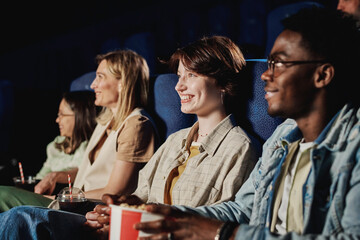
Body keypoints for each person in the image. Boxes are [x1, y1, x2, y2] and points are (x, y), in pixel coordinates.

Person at [126, 7, 360, 240]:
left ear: (322, 75)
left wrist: (222, 232)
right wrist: (172, 218)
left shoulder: (354, 145)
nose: (265, 76)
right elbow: (244, 209)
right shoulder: (281, 138)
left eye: (278, 64)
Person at [0, 35, 259, 239]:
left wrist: (141, 218)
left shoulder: (240, 148)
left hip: (153, 234)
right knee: (21, 218)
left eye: (191, 75)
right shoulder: (176, 141)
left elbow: (226, 222)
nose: (179, 85)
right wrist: (111, 211)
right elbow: (138, 195)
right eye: (179, 76)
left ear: (223, 83)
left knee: (19, 218)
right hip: (126, 229)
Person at [0, 49, 157, 212]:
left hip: (90, 209)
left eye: (100, 77)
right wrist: (56, 176)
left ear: (122, 83)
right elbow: (90, 172)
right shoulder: (106, 121)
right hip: (75, 203)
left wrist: (58, 198)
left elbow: (114, 192)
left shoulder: (136, 125)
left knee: (2, 194)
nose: (93, 85)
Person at [0, 90, 98, 211]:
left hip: (65, 204)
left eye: (62, 114)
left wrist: (56, 176)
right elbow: (41, 178)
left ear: (80, 116)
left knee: (2, 194)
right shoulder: (54, 147)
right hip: (44, 198)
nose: (57, 120)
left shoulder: (92, 147)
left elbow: (83, 170)